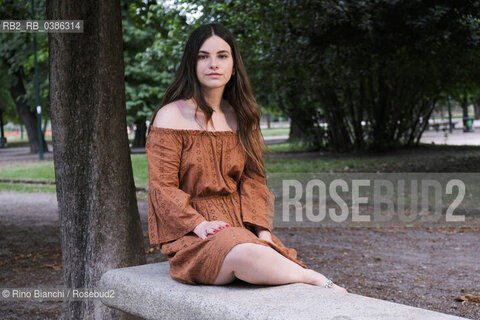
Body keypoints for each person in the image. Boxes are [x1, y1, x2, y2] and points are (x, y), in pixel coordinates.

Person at [146, 23, 347, 293]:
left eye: (222, 56)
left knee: (258, 249)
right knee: (245, 255)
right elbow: (162, 187)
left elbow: (253, 180)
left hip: (241, 226)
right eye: (203, 56)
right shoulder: (171, 115)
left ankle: (302, 274)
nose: (213, 64)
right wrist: (199, 224)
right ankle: (313, 278)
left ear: (233, 64)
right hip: (195, 235)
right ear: (191, 63)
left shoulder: (242, 115)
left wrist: (261, 229)